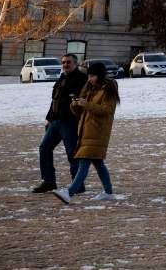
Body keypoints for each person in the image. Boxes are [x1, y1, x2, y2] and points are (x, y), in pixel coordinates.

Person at [54, 61, 120, 203]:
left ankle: (69, 193)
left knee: (84, 161)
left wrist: (87, 104)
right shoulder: (90, 88)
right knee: (97, 163)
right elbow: (80, 113)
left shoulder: (108, 88)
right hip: (86, 130)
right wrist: (75, 105)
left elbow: (107, 110)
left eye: (92, 76)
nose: (90, 79)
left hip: (98, 131)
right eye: (89, 75)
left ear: (100, 75)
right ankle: (108, 192)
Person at [32, 54, 88, 193]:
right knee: (44, 148)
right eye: (63, 62)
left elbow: (79, 101)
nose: (65, 64)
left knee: (72, 153)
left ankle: (78, 184)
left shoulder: (81, 78)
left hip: (70, 122)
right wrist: (49, 118)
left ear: (75, 63)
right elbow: (55, 100)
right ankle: (49, 181)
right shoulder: (62, 77)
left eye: (68, 62)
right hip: (55, 122)